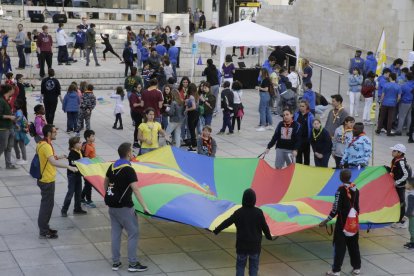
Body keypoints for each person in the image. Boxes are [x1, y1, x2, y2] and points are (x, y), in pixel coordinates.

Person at [104, 142, 150, 272]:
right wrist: (145, 207)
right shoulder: (129, 169)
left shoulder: (112, 166)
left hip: (112, 206)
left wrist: (107, 194)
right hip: (125, 207)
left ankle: (116, 262)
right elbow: (135, 189)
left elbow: (106, 181)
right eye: (132, 151)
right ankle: (133, 264)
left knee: (115, 233)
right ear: (129, 153)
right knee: (133, 233)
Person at [213, 188, 272, 276]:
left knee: (240, 266)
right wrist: (269, 236)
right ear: (254, 200)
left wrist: (216, 230)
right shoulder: (258, 213)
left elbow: (227, 222)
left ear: (243, 199)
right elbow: (265, 227)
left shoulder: (238, 213)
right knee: (254, 268)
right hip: (254, 246)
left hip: (241, 246)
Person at [37, 124, 78, 239]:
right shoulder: (46, 146)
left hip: (46, 178)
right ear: (49, 133)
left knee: (48, 205)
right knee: (47, 206)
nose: (56, 133)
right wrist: (68, 167)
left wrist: (59, 156)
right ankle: (44, 231)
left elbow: (49, 158)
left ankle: (45, 227)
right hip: (47, 180)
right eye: (54, 131)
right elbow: (52, 162)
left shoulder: (42, 143)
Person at [319, 169, 361, 276]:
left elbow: (335, 208)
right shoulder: (355, 188)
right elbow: (357, 206)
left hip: (343, 223)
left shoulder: (340, 191)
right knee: (354, 245)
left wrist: (326, 220)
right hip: (353, 222)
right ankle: (356, 268)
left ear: (341, 178)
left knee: (339, 247)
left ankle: (336, 270)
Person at [61, 136, 87, 217]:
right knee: (70, 192)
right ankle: (64, 209)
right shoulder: (72, 153)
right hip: (72, 175)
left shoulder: (80, 151)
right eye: (79, 143)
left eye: (81, 142)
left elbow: (84, 159)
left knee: (78, 192)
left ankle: (77, 208)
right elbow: (73, 163)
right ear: (73, 145)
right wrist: (81, 163)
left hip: (78, 175)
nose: (81, 144)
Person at [385, 144, 410, 229]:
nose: (392, 152)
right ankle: (396, 216)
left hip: (400, 186)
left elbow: (406, 174)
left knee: (401, 202)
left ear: (400, 153)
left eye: (394, 151)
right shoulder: (395, 159)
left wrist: (397, 182)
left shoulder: (401, 162)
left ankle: (401, 221)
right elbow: (394, 170)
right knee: (395, 201)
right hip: (395, 184)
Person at [0, 84, 17, 169]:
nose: (14, 91)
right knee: (2, 147)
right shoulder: (1, 101)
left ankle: (8, 164)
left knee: (9, 147)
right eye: (13, 90)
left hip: (10, 127)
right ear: (9, 90)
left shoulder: (6, 100)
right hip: (3, 128)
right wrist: (9, 117)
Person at [80, 129, 97, 208]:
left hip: (91, 166)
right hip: (88, 167)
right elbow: (85, 157)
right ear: (87, 138)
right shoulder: (87, 146)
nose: (94, 138)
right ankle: (89, 200)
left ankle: (81, 197)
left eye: (94, 136)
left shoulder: (91, 145)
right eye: (92, 136)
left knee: (87, 184)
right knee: (88, 184)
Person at [294, 100, 314, 165]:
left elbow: (312, 127)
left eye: (303, 106)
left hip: (306, 140)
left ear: (306, 107)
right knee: (298, 158)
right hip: (298, 139)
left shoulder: (310, 116)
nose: (301, 107)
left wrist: (311, 139)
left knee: (306, 158)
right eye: (300, 106)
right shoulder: (296, 114)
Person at [13, 99, 29, 165]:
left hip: (20, 130)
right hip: (16, 130)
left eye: (16, 103)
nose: (14, 104)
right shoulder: (17, 111)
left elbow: (19, 117)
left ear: (19, 105)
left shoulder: (19, 111)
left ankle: (24, 159)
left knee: (21, 145)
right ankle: (18, 157)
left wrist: (14, 120)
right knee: (15, 144)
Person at [185, 83, 200, 150]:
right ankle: (194, 143)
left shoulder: (191, 96)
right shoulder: (197, 95)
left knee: (191, 130)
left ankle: (193, 144)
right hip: (197, 114)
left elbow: (193, 107)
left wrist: (187, 109)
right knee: (194, 129)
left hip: (192, 114)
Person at [129, 83, 144, 148]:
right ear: (135, 88)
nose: (140, 89)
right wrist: (141, 104)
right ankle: (135, 142)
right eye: (138, 87)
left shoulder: (139, 94)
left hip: (140, 113)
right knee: (137, 127)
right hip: (136, 113)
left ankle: (139, 140)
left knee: (140, 127)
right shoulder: (133, 95)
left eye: (140, 87)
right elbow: (134, 105)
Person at [404, 177, 414, 249]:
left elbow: (410, 207)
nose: (405, 185)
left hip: (412, 215)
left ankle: (413, 243)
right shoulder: (411, 193)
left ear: (411, 185)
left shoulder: (411, 195)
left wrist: (405, 216)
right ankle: (412, 241)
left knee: (411, 229)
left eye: (406, 183)